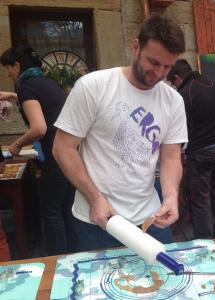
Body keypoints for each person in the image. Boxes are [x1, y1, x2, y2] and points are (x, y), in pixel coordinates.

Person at [52, 14, 187, 252]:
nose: (159, 73)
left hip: (150, 218)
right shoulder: (93, 86)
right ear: (135, 47)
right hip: (97, 220)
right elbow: (63, 148)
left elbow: (171, 157)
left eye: (167, 66)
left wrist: (170, 196)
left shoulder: (173, 101)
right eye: (154, 63)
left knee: (163, 283)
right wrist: (95, 198)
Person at [0, 45, 75, 255]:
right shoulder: (47, 83)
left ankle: (58, 262)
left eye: (8, 68)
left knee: (51, 212)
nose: (8, 73)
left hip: (55, 154)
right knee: (66, 208)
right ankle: (72, 255)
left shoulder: (27, 88)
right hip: (71, 154)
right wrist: (12, 95)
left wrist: (16, 145)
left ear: (17, 65)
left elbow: (39, 128)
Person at [167, 59, 215, 239]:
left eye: (173, 82)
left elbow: (180, 129)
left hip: (202, 151)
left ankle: (204, 240)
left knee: (200, 197)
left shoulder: (186, 93)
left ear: (178, 77)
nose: (174, 87)